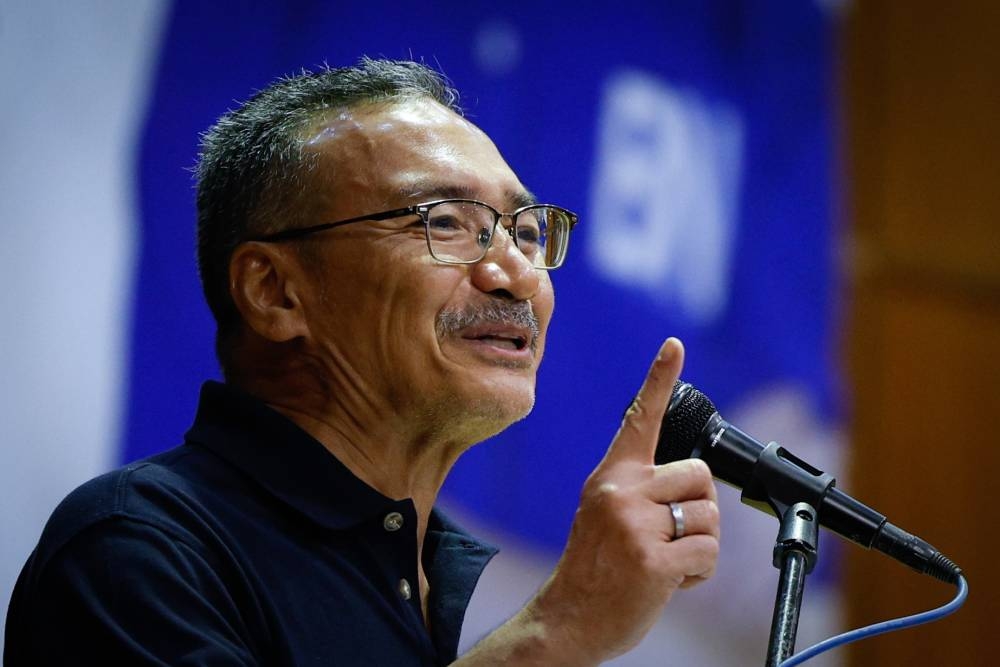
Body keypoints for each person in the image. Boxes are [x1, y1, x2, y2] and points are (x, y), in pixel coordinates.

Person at [5, 58, 719, 666]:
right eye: (444, 221)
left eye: (526, 231)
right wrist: (560, 628)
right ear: (274, 291)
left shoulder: (444, 577)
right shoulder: (137, 555)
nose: (515, 273)